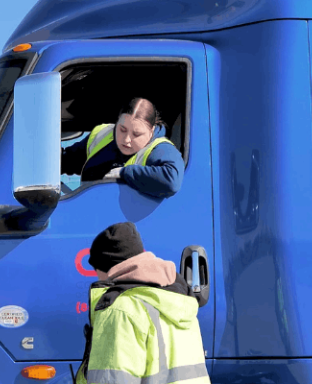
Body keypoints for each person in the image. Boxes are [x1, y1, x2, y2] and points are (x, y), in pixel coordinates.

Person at [75, 222, 210, 384]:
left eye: (97, 271)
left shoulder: (121, 309)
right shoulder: (181, 301)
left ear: (109, 268)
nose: (97, 278)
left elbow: (113, 380)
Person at [61, 98, 185, 198]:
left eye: (136, 134)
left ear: (151, 130)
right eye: (122, 129)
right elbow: (66, 161)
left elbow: (171, 181)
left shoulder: (160, 149)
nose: (126, 139)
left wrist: (123, 173)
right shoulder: (102, 134)